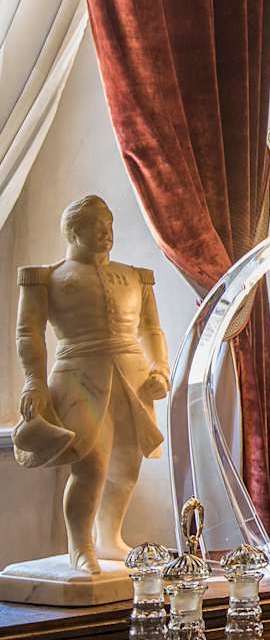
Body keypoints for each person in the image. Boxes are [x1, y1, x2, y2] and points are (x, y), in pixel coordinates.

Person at [15, 195, 170, 573]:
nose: (106, 232)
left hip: (132, 377)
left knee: (127, 466)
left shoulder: (135, 276)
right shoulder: (48, 278)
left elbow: (151, 329)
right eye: (96, 225)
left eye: (109, 224)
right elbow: (29, 332)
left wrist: (160, 369)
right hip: (77, 375)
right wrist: (34, 382)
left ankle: (109, 538)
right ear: (73, 231)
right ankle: (80, 545)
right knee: (91, 465)